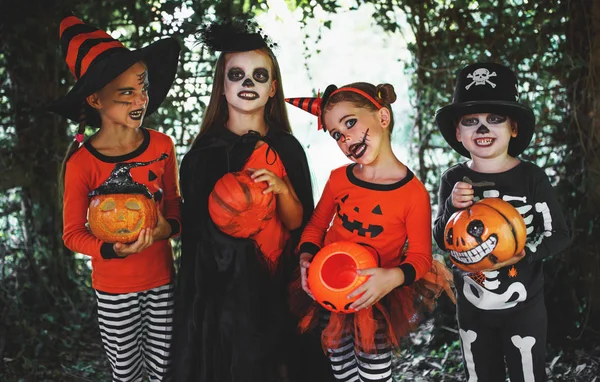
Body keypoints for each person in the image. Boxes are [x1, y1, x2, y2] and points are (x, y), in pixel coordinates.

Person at [171, 18, 332, 382]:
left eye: (259, 76)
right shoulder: (201, 158)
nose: (248, 83)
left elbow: (299, 224)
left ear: (273, 88)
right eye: (237, 75)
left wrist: (283, 190)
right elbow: (197, 243)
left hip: (283, 289)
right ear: (222, 87)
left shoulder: (288, 149)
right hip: (227, 298)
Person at [289, 82, 452, 382]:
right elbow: (315, 226)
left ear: (383, 117)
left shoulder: (412, 194)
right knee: (341, 369)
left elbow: (420, 257)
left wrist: (392, 277)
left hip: (374, 298)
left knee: (374, 373)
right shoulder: (339, 180)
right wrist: (306, 258)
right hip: (329, 288)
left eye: (350, 123)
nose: (345, 137)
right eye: (337, 134)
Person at [50, 14, 181, 382]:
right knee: (127, 373)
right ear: (95, 99)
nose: (140, 99)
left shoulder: (162, 146)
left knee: (163, 371)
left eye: (143, 87)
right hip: (114, 290)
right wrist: (111, 249)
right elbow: (72, 234)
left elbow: (175, 209)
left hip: (162, 282)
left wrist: (163, 230)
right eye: (126, 92)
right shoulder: (82, 163)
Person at [432, 62, 570, 382]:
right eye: (471, 121)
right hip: (472, 309)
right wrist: (453, 205)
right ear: (458, 132)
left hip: (525, 307)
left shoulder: (531, 178)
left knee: (528, 376)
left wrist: (527, 253)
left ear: (514, 128)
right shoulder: (453, 179)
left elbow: (561, 233)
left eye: (494, 119)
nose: (482, 129)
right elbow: (440, 237)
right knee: (480, 375)